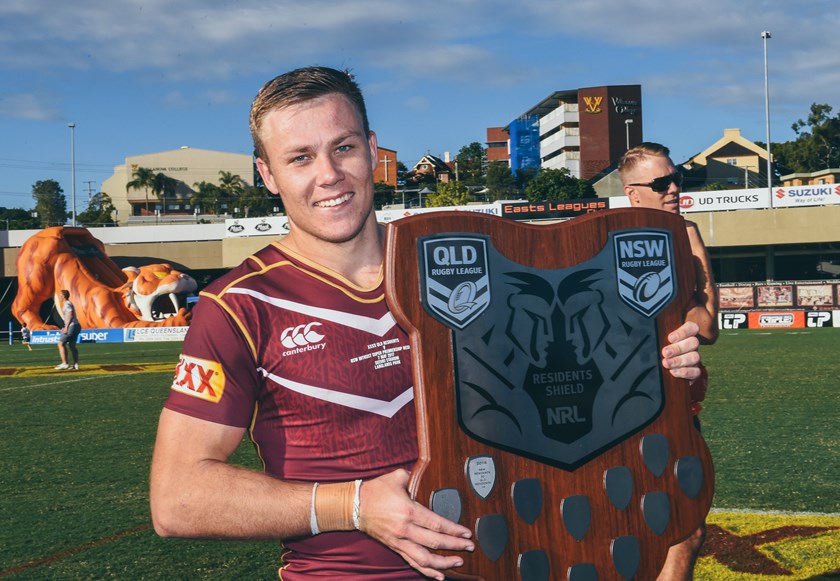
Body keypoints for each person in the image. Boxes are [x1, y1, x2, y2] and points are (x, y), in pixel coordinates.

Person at [150, 67, 704, 580]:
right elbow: (177, 498)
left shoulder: (470, 265)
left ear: (371, 151)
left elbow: (570, 398)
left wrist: (665, 368)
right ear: (267, 174)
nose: (329, 176)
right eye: (300, 158)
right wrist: (355, 505)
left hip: (510, 562)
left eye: (343, 147)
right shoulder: (240, 305)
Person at [619, 142, 719, 581]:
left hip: (677, 403)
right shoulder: (603, 237)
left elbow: (709, 324)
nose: (675, 188)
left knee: (686, 531)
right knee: (636, 530)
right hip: (623, 406)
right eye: (662, 183)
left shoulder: (687, 233)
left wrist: (681, 328)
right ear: (632, 192)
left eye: (677, 178)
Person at [55, 289, 80, 370]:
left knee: (60, 344)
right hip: (76, 326)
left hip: (71, 326)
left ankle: (65, 363)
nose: (59, 297)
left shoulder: (67, 304)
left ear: (64, 296)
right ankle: (76, 364)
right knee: (72, 345)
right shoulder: (68, 303)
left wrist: (66, 327)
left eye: (60, 295)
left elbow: (70, 315)